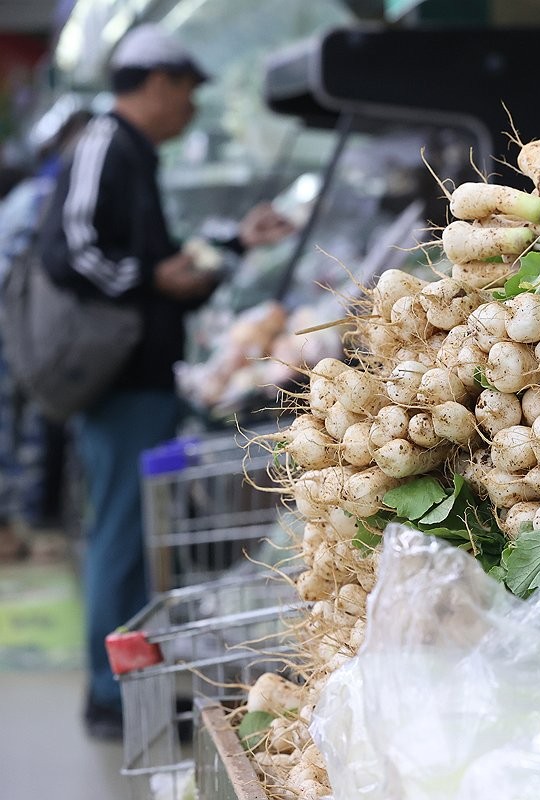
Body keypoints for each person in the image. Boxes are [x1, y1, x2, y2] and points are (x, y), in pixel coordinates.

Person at [36, 24, 294, 739]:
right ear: (156, 83)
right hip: (119, 384)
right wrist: (153, 278)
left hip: (141, 379)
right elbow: (75, 251)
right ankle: (111, 695)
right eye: (187, 91)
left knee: (131, 533)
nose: (189, 109)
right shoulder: (103, 144)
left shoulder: (133, 153)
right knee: (122, 537)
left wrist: (235, 243)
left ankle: (129, 684)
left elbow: (155, 261)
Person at [0, 108, 93, 563]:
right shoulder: (42, 196)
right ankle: (22, 526)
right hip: (19, 337)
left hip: (21, 336)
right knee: (23, 427)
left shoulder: (36, 194)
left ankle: (23, 524)